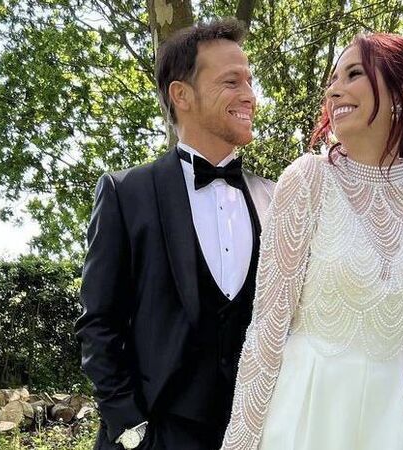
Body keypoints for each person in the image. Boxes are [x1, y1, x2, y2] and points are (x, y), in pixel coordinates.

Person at [221, 32, 403, 450]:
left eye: (354, 74)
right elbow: (266, 330)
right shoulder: (309, 180)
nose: (334, 90)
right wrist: (239, 444)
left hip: (395, 424)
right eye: (333, 79)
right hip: (307, 417)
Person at [75, 19, 275, 450]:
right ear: (181, 95)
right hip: (156, 434)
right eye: (231, 81)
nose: (249, 95)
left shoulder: (275, 198)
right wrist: (131, 430)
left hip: (254, 434)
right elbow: (98, 323)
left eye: (249, 81)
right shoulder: (126, 193)